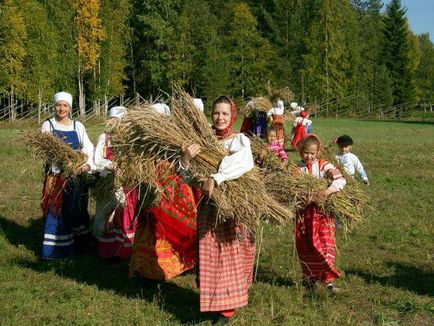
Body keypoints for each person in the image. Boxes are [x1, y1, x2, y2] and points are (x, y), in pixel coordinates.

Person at [181, 95, 255, 323]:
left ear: (232, 115)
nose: (220, 117)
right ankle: (213, 301)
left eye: (224, 113)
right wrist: (185, 158)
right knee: (209, 253)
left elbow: (244, 163)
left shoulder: (238, 140)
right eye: (216, 113)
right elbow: (187, 176)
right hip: (207, 207)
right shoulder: (201, 141)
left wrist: (217, 177)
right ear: (210, 115)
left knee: (228, 253)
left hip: (230, 209)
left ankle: (226, 310)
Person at [129, 103, 200, 280]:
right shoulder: (143, 142)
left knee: (176, 224)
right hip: (150, 189)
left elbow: (184, 167)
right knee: (150, 225)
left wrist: (182, 160)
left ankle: (175, 265)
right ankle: (145, 268)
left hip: (173, 188)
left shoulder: (175, 139)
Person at [40, 91, 94, 259]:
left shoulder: (78, 126)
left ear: (70, 108)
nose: (61, 109)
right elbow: (46, 151)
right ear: (54, 106)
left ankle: (79, 245)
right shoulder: (47, 125)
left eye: (65, 105)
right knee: (56, 211)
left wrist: (86, 165)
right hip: (56, 176)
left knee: (76, 209)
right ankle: (55, 251)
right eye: (58, 105)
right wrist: (64, 164)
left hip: (77, 177)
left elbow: (88, 149)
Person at [294, 134, 346, 293]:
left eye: (312, 153)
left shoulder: (324, 165)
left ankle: (328, 281)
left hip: (322, 214)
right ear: (301, 152)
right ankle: (309, 279)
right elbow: (293, 190)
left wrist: (326, 191)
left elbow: (340, 180)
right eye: (305, 153)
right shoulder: (296, 169)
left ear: (318, 152)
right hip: (303, 214)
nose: (308, 156)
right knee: (306, 246)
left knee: (325, 244)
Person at [93, 106, 139, 261]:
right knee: (104, 214)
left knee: (121, 214)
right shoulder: (104, 138)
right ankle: (105, 248)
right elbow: (96, 160)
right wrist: (111, 165)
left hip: (124, 183)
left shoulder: (129, 140)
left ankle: (122, 248)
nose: (116, 124)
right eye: (114, 120)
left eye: (120, 121)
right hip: (107, 181)